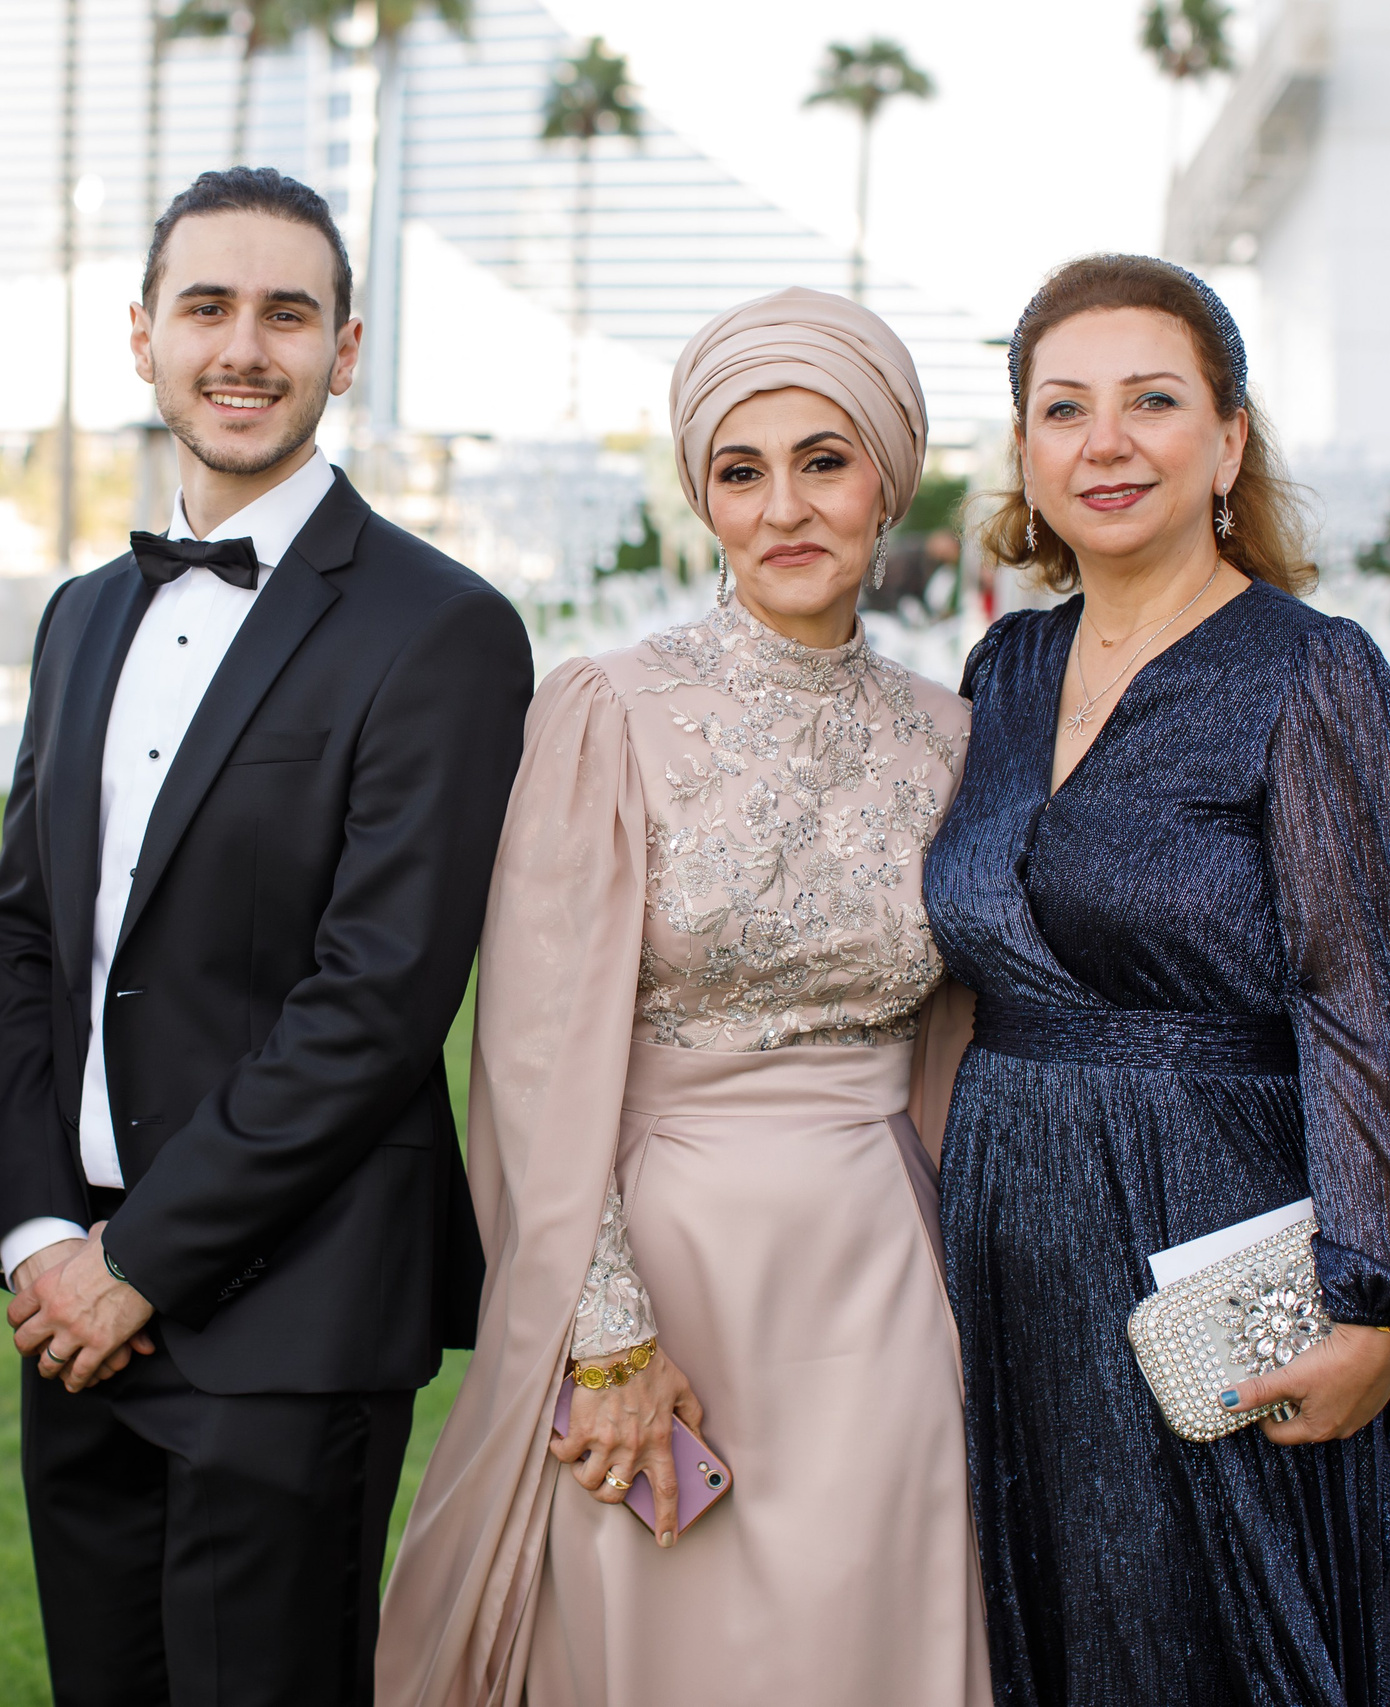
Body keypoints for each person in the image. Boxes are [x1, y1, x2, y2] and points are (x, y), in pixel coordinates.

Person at [377, 287, 989, 1707]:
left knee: (876, 1636)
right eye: (740, 468)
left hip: (887, 1280)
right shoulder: (607, 707)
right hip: (667, 1273)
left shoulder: (955, 735)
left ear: (888, 477)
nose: (784, 506)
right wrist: (611, 1333)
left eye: (824, 461)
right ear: (702, 494)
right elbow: (531, 1054)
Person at [0, 165, 532, 1706]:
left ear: (345, 350)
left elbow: (376, 999)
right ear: (142, 335)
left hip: (291, 1315)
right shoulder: (83, 612)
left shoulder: (444, 627)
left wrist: (139, 1260)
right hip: (69, 1297)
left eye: (289, 312)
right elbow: (26, 941)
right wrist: (39, 1239)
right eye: (206, 306)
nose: (244, 346)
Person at [921, 255, 1390, 1706]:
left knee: (1223, 1640)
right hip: (1006, 1225)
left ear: (1229, 440)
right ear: (1027, 451)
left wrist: (1376, 1304)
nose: (1104, 442)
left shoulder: (1310, 672)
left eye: (1152, 401)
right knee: (1039, 1628)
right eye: (1064, 408)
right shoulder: (1005, 664)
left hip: (1217, 1227)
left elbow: (1370, 995)